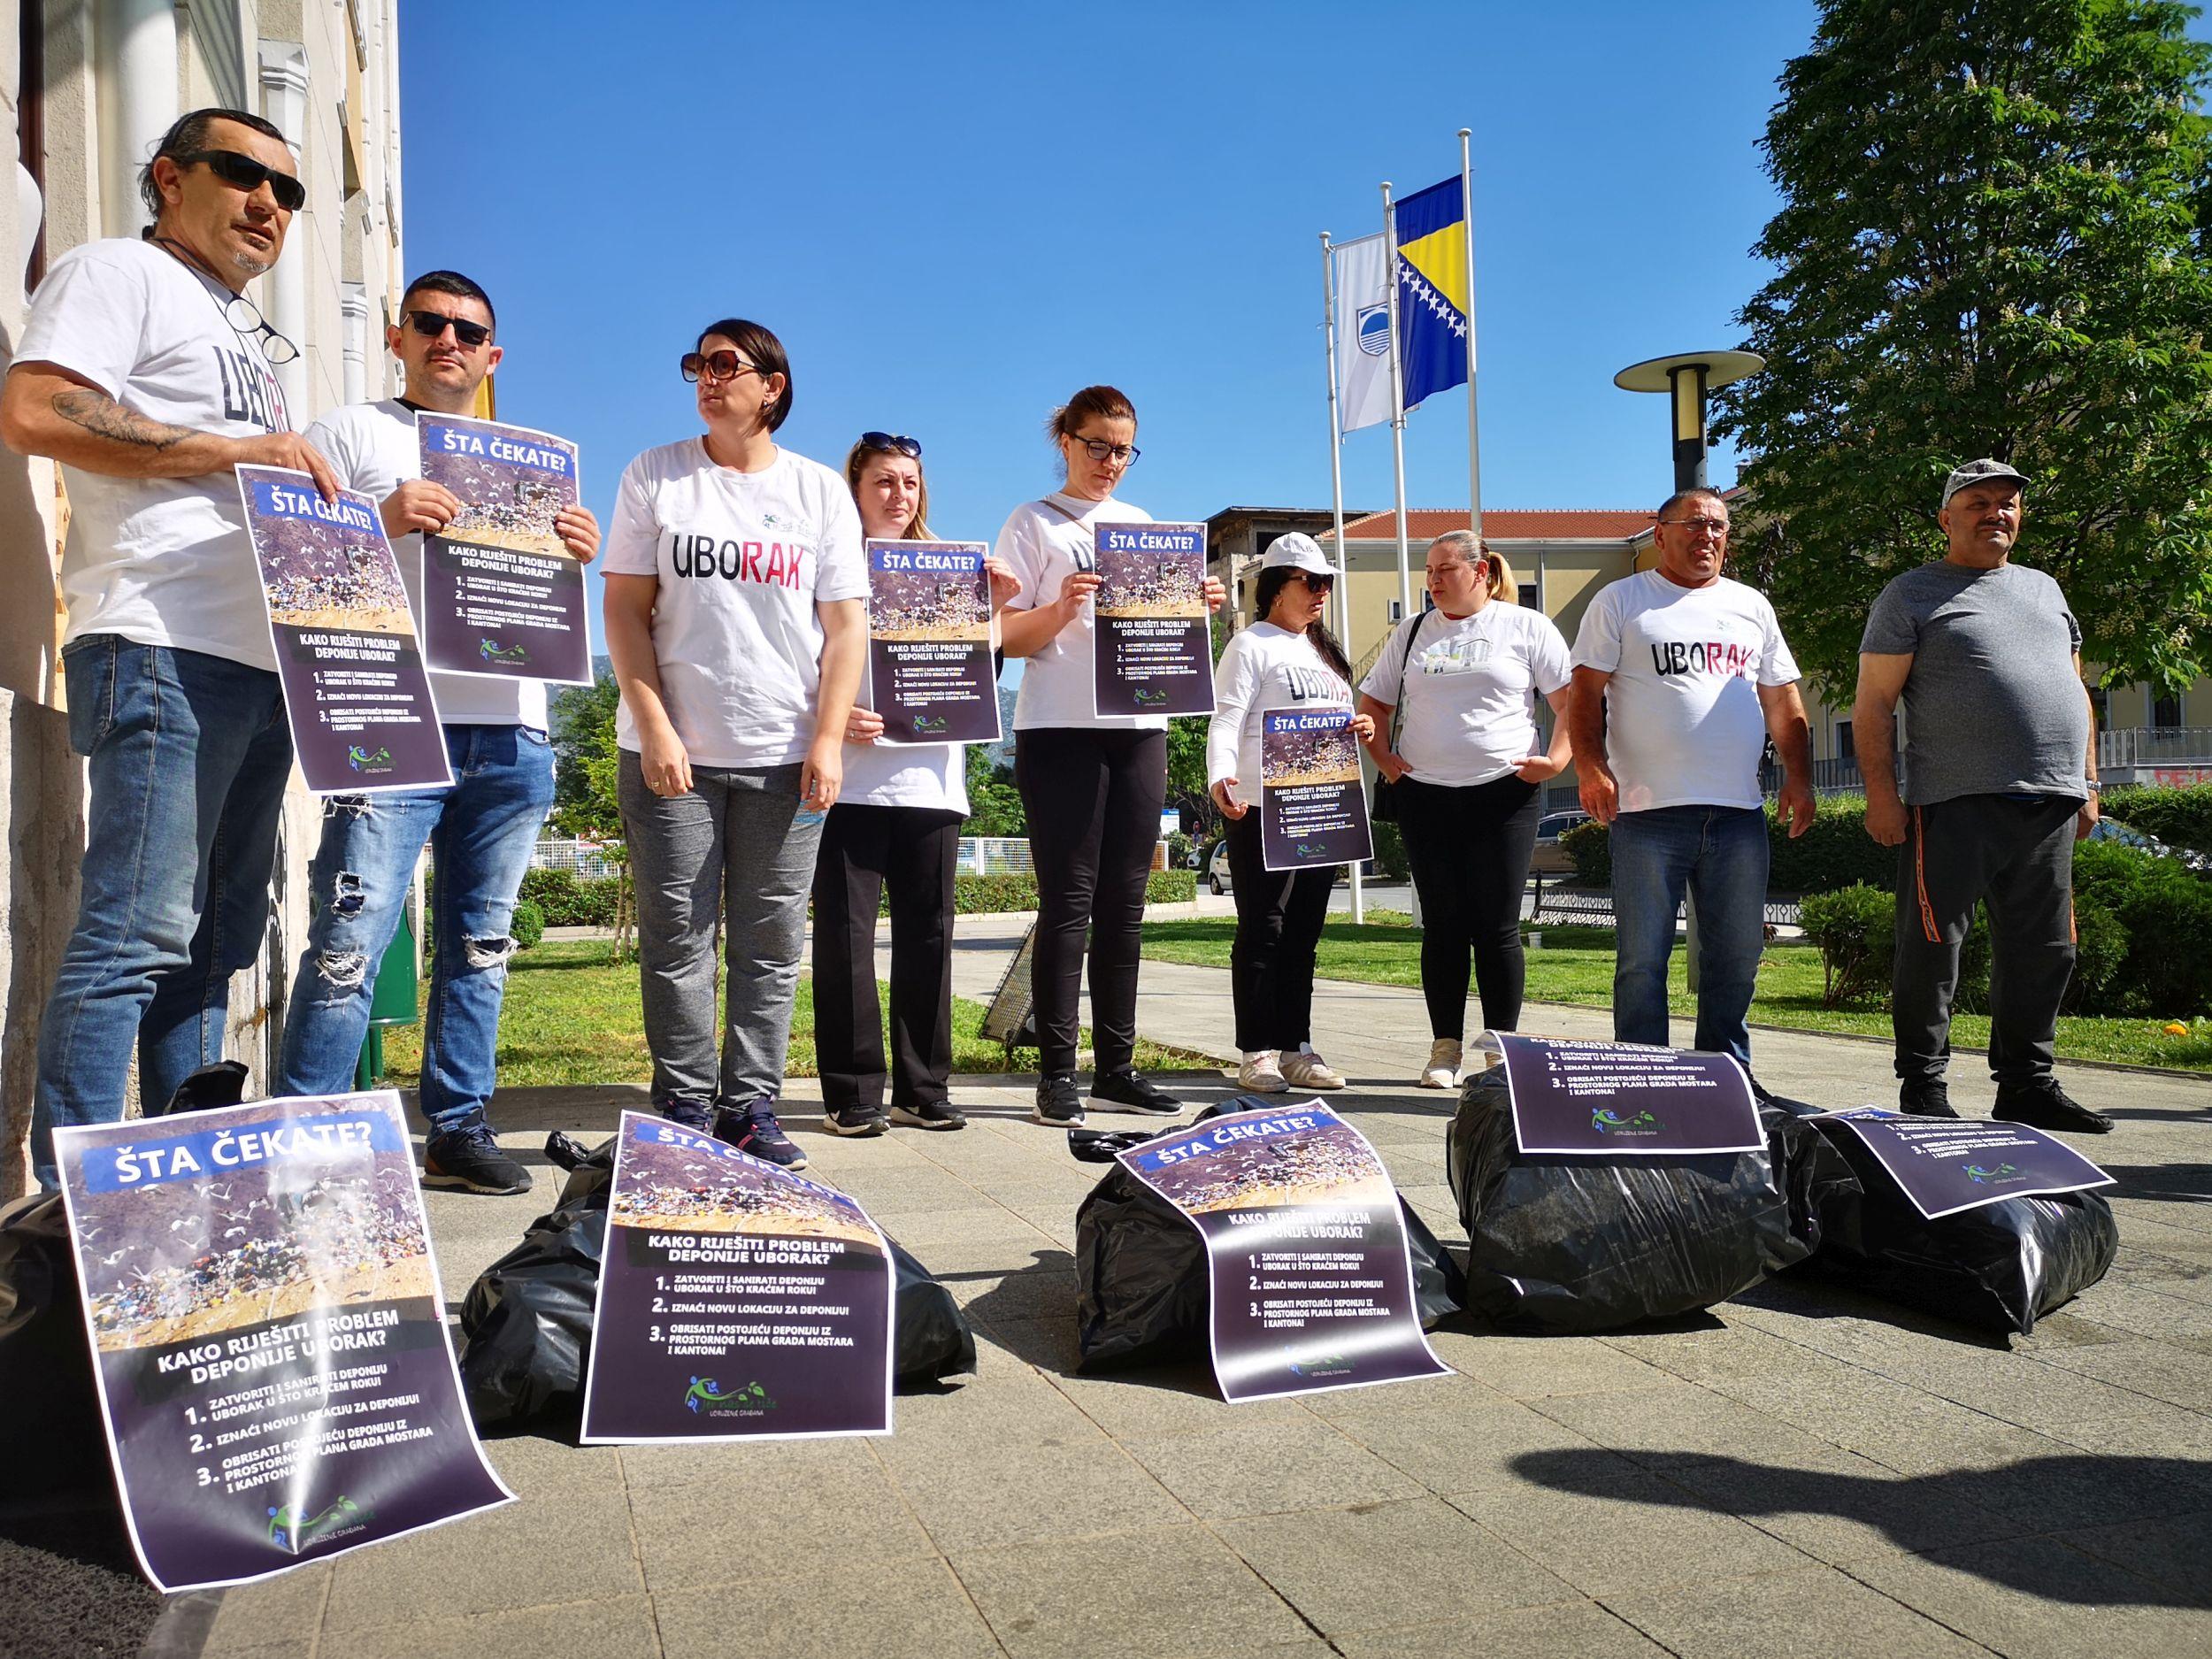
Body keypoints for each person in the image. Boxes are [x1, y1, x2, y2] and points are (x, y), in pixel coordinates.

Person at [1, 108, 337, 1187]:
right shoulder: (117, 273)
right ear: (168, 178)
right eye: (243, 174)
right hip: (159, 644)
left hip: (260, 662)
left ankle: (184, 1195)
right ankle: (74, 1219)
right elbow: (38, 407)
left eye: (288, 192)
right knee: (137, 938)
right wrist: (233, 451)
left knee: (216, 948)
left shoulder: (240, 335)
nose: (269, 205)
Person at [270, 271, 603, 1194]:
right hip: (391, 720)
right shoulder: (349, 434)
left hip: (512, 735)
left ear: (493, 355)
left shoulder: (528, 466)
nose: (447, 339)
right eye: (430, 323)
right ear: (397, 336)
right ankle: (312, 1142)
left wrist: (577, 547)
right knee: (349, 942)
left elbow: (555, 604)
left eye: (468, 330)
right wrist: (380, 521)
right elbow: (298, 574)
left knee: (481, 948)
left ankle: (457, 1128)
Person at [602, 320, 867, 1170]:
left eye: (725, 365)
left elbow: (846, 625)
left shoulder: (821, 490)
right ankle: (683, 1100)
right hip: (672, 753)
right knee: (678, 936)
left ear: (773, 386)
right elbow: (624, 611)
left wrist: (827, 740)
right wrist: (653, 726)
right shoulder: (656, 474)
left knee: (770, 941)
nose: (707, 380)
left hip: (784, 753)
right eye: (697, 366)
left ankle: (750, 1106)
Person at [1853, 459, 2109, 1132]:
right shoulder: (1911, 594)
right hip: (1952, 802)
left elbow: (2076, 689)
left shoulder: (2046, 589)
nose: (1996, 512)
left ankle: (2026, 1083)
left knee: (2047, 950)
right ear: (1946, 517)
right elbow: (1875, 704)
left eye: (2008, 502)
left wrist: (2089, 780)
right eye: (1978, 502)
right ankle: (1923, 1083)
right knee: (1934, 948)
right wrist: (1884, 795)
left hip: (2050, 801)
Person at [996, 385, 1225, 1127]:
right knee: (1069, 901)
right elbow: (1005, 639)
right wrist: (1061, 605)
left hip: (1139, 727)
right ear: (1065, 439)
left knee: (1127, 905)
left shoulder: (1142, 525)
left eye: (1123, 448)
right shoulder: (1031, 522)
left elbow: (1160, 640)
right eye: (1096, 444)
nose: (1111, 461)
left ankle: (1116, 1068)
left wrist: (1199, 608)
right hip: (1059, 728)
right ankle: (1057, 1072)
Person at [811, 432, 1018, 1136]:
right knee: (845, 941)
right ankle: (853, 1089)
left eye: (910, 482)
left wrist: (994, 616)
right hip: (850, 786)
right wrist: (835, 720)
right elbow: (796, 661)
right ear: (856, 487)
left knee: (929, 939)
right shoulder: (827, 564)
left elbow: (972, 686)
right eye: (884, 482)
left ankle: (923, 1086)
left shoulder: (950, 572)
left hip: (931, 786)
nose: (900, 495)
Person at [1568, 488, 1814, 1077]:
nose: (1708, 535)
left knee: (1736, 959)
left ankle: (1726, 1080)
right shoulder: (1622, 600)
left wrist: (1800, 778)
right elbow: (1584, 693)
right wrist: (1590, 766)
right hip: (1648, 816)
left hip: (1737, 814)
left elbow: (1782, 699)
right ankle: (1645, 1078)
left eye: (1719, 527)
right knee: (1641, 962)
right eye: (1695, 524)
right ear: (1660, 534)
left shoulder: (1751, 606)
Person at [1357, 532, 1574, 1087]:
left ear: (1480, 573)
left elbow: (1571, 701)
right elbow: (1374, 702)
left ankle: (1501, 1054)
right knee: (1444, 926)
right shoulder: (1411, 634)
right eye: (1428, 571)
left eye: (1443, 570)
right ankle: (1445, 1049)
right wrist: (1386, 759)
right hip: (1425, 794)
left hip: (1504, 791)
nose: (1431, 581)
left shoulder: (1525, 626)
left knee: (1497, 926)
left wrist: (1556, 759)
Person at [1208, 534, 1373, 1092]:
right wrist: (1220, 777)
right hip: (1262, 805)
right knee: (1265, 927)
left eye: (1327, 583)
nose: (1322, 592)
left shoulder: (1325, 652)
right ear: (1278, 587)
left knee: (1304, 931)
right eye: (1312, 582)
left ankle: (1296, 1045)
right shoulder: (1250, 645)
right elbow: (1226, 717)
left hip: (1323, 803)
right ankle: (1257, 1050)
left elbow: (1334, 720)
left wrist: (1359, 728)